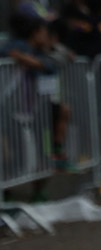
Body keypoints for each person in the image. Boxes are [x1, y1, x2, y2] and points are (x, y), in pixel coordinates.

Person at [5, 15, 71, 175]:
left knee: (63, 110)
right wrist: (26, 58)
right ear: (35, 33)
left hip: (33, 108)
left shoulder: (38, 51)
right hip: (11, 109)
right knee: (12, 153)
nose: (46, 37)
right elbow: (10, 52)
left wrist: (30, 60)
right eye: (44, 32)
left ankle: (57, 152)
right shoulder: (19, 45)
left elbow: (53, 64)